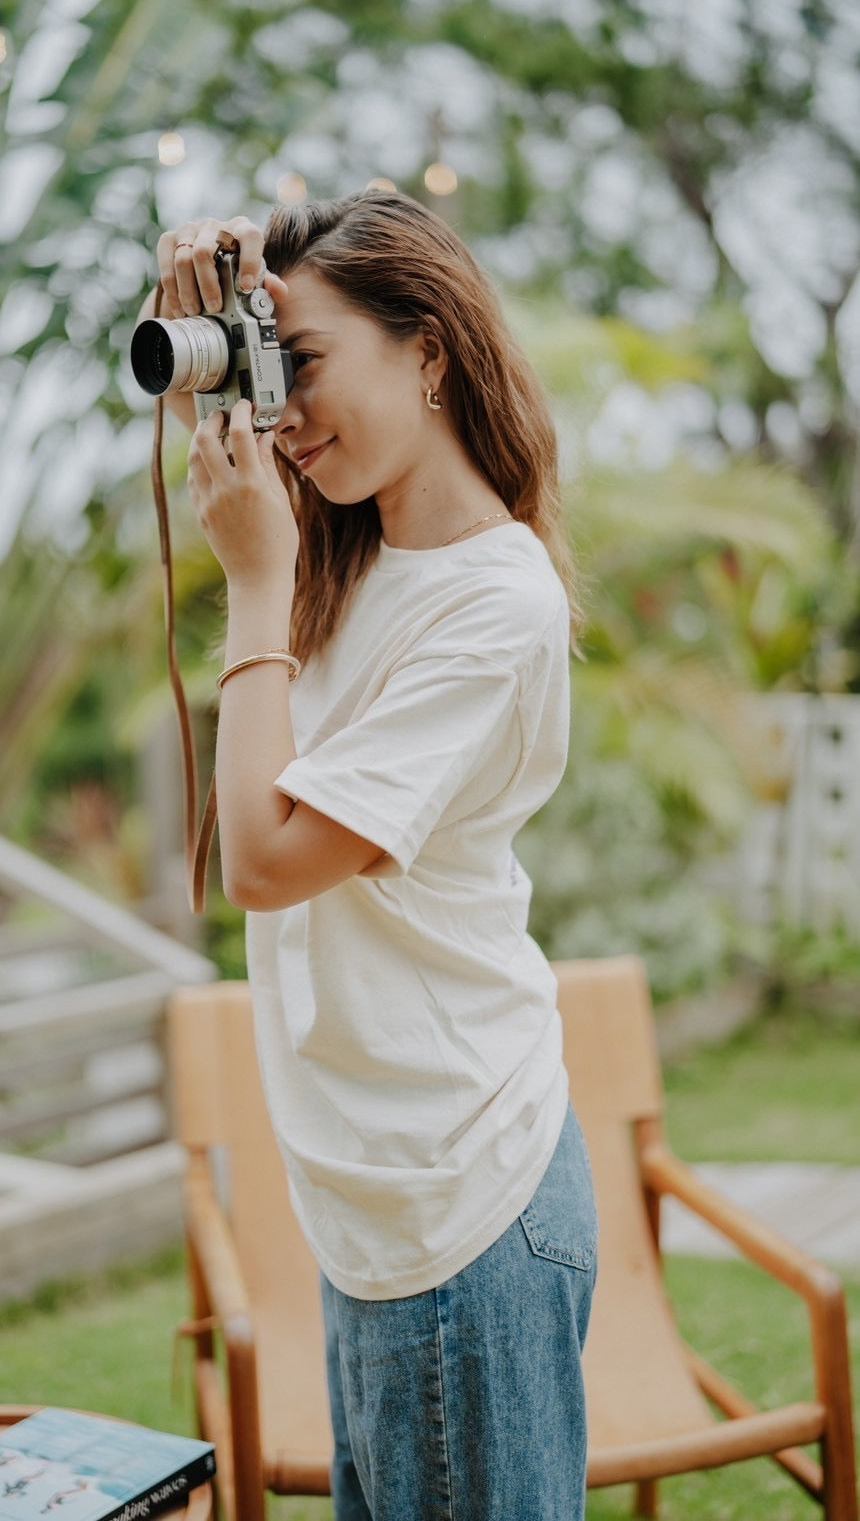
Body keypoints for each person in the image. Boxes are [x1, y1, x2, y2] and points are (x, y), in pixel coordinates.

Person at [146, 189, 598, 1521]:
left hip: (459, 1196)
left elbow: (267, 860)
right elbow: (249, 444)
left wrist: (248, 588)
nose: (288, 412)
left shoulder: (492, 600)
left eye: (315, 362)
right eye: (277, 368)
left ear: (431, 347)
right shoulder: (351, 551)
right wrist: (210, 327)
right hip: (381, 1200)